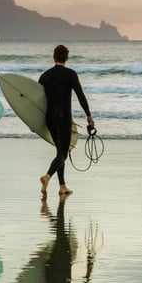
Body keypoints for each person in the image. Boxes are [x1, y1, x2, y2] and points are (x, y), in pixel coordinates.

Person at [38, 44, 94, 196]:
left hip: (49, 119)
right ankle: (47, 176)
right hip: (63, 119)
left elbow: (37, 101)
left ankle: (62, 186)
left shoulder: (45, 76)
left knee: (59, 152)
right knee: (62, 153)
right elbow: (80, 96)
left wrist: (34, 122)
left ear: (54, 57)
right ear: (66, 58)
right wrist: (88, 115)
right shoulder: (70, 74)